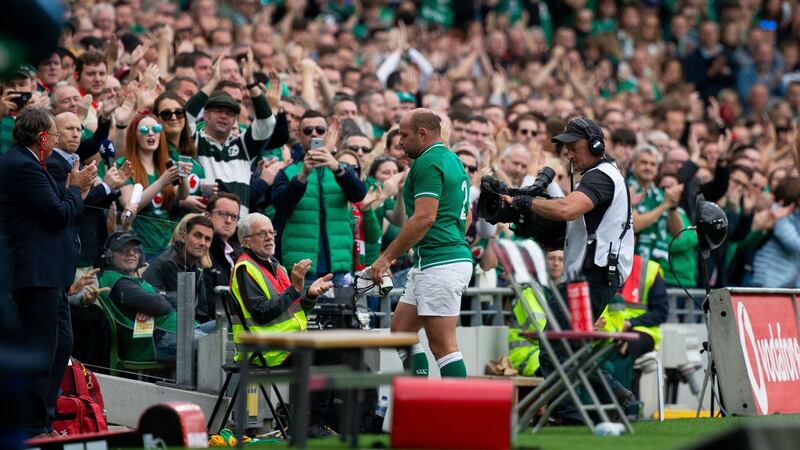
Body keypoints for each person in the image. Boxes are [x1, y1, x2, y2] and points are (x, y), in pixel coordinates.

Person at [503, 117, 634, 423]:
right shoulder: (599, 175)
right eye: (566, 149)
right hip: (590, 274)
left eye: (574, 147)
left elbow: (566, 209)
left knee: (553, 346)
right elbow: (577, 226)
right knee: (569, 347)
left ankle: (570, 415)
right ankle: (616, 394)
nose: (569, 155)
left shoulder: (600, 176)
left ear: (595, 145)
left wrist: (527, 202)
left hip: (591, 275)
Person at [0, 107, 95, 438]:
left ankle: (42, 420)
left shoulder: (31, 164)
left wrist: (71, 192)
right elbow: (58, 213)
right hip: (35, 273)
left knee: (60, 345)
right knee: (42, 350)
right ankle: (30, 424)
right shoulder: (21, 166)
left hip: (50, 274)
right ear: (42, 137)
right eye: (54, 133)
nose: (57, 139)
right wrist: (76, 189)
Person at [370, 108, 473, 378]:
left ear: (422, 134)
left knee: (443, 347)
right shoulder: (452, 159)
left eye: (404, 135)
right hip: (437, 259)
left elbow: (424, 217)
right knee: (402, 332)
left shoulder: (427, 162)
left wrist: (385, 258)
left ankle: (459, 417)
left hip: (441, 262)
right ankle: (418, 398)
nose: (400, 141)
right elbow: (467, 216)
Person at [229, 213, 336, 436]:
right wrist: (294, 289)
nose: (269, 237)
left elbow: (292, 310)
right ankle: (310, 425)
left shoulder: (278, 268)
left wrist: (308, 295)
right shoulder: (245, 268)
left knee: (339, 349)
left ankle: (307, 421)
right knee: (331, 351)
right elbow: (261, 313)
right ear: (246, 241)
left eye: (271, 232)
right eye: (262, 233)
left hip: (286, 344)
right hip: (264, 350)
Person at [271, 111, 367, 285]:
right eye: (308, 130)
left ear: (327, 135)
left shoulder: (342, 169)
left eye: (320, 130)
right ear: (298, 136)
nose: (314, 134)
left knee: (339, 312)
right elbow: (280, 205)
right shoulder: (287, 171)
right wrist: (302, 176)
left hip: (337, 267)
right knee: (301, 313)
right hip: (301, 268)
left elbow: (359, 193)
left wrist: (337, 168)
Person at [97, 232, 214, 362]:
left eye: (135, 250)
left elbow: (178, 299)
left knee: (228, 329)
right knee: (215, 345)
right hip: (161, 339)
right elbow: (160, 305)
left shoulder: (134, 280)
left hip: (183, 328)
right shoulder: (116, 281)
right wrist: (156, 301)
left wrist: (153, 304)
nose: (131, 253)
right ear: (109, 255)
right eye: (123, 250)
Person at [185, 55, 278, 216]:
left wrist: (250, 81)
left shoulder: (243, 145)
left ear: (235, 118)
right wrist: (213, 82)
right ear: (206, 115)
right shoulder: (196, 141)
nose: (223, 116)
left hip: (238, 228)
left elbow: (267, 122)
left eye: (229, 113)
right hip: (204, 227)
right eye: (218, 111)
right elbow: (185, 116)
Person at [117, 111, 190, 258]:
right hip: (140, 247)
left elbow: (182, 195)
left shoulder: (165, 164)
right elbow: (130, 205)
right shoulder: (124, 165)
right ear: (134, 136)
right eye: (144, 130)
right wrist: (161, 182)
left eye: (156, 129)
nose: (151, 134)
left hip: (167, 245)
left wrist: (184, 178)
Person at [143, 214, 216, 324]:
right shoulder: (169, 262)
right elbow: (182, 307)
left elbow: (201, 310)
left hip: (185, 324)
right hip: (164, 329)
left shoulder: (195, 266)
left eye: (207, 239)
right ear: (183, 237)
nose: (202, 243)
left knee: (225, 325)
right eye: (197, 236)